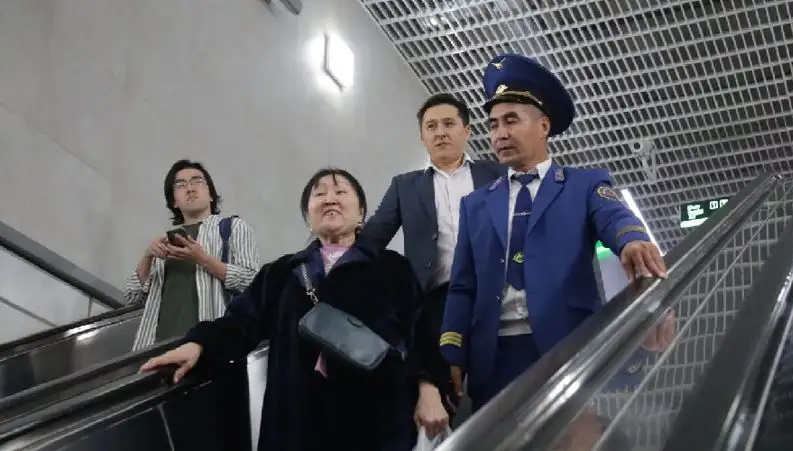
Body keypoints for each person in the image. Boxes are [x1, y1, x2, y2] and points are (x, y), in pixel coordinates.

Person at [140, 168, 450, 451]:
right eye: (319, 194)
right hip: (296, 424)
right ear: (308, 218)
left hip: (376, 423)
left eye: (341, 192)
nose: (329, 199)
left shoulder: (391, 268)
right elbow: (240, 322)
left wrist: (429, 389)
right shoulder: (283, 273)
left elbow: (421, 333)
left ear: (361, 215)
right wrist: (198, 344)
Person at [439, 54, 676, 413]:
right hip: (494, 359)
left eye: (511, 120)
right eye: (493, 125)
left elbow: (613, 215)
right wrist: (451, 352)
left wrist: (632, 239)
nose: (500, 134)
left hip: (568, 347)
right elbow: (462, 286)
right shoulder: (475, 205)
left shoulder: (583, 185)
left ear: (543, 126)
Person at [361, 93, 506, 414]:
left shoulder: (497, 175)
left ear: (466, 131)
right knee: (440, 399)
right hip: (437, 304)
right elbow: (372, 239)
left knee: (500, 394)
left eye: (448, 124)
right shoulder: (405, 186)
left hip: (496, 296)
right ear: (422, 137)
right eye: (431, 126)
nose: (440, 132)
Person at [124, 159, 261, 350]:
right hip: (155, 349)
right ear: (174, 201)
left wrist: (203, 259)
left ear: (211, 194)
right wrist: (147, 256)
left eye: (197, 181)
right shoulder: (165, 242)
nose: (190, 188)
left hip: (210, 348)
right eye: (180, 185)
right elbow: (131, 296)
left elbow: (253, 282)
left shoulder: (233, 228)